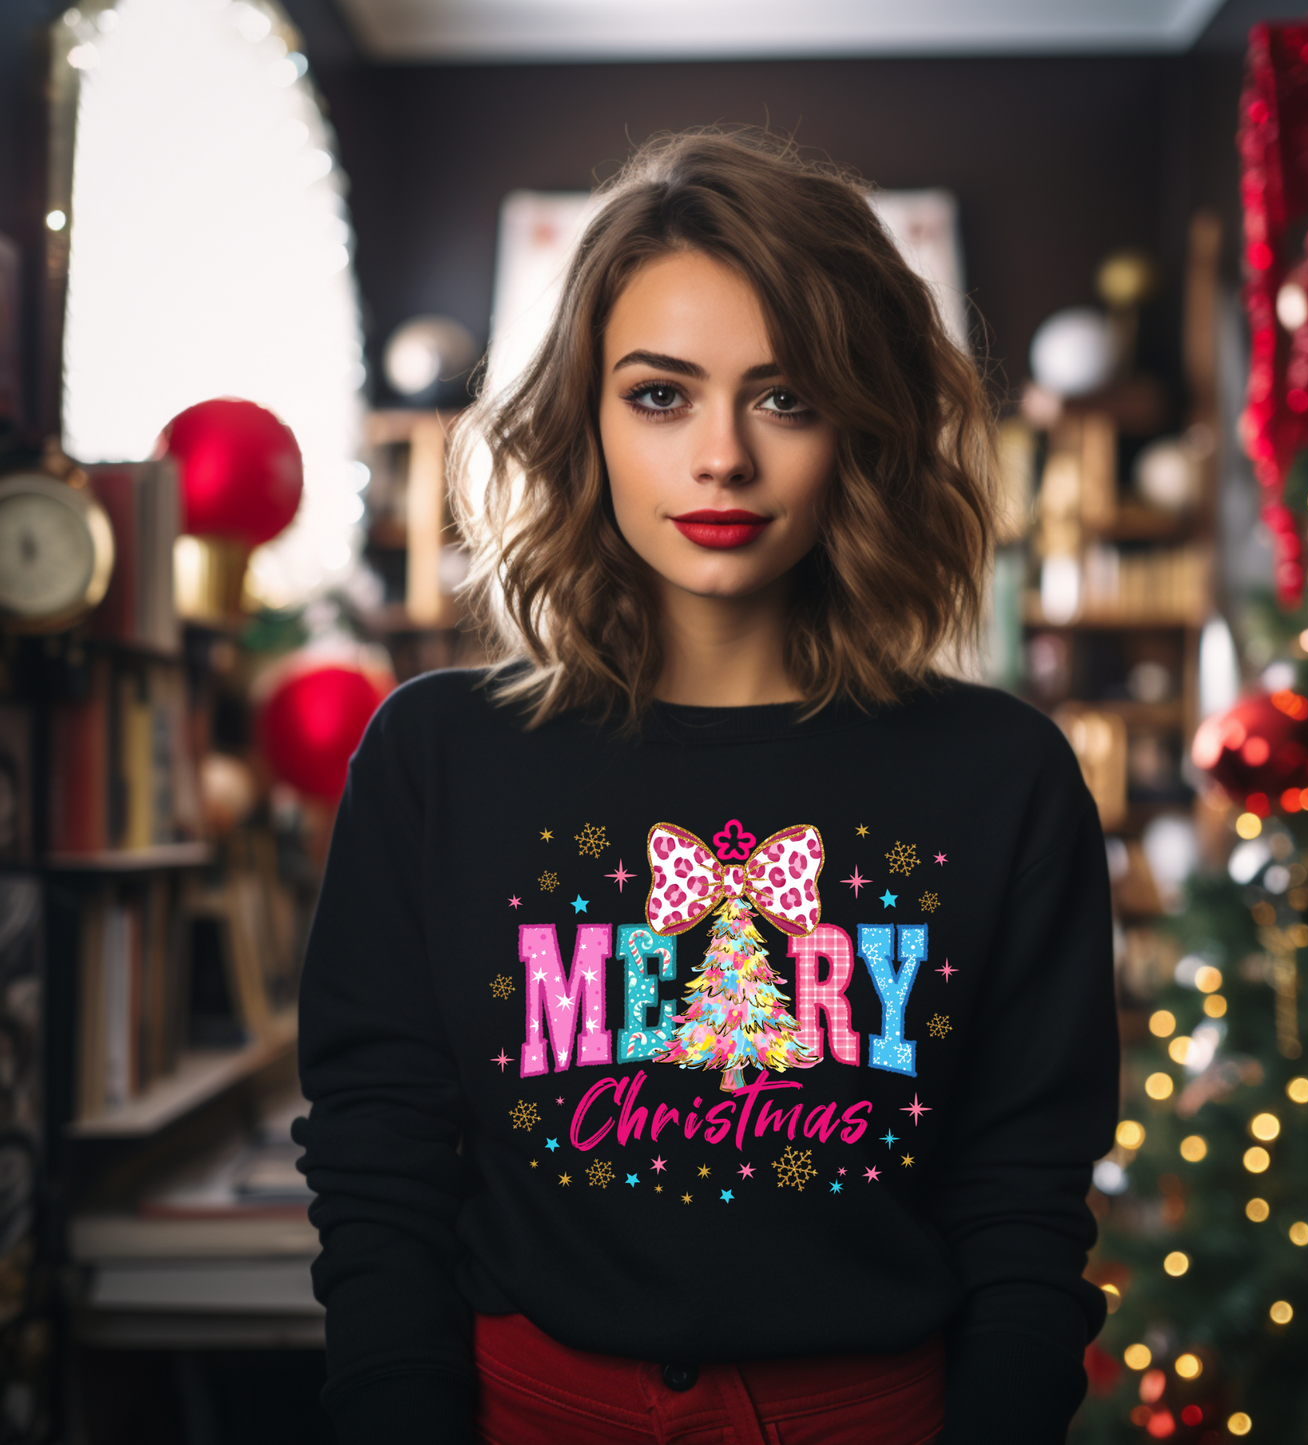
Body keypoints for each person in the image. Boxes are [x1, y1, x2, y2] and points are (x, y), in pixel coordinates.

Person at [294, 127, 1120, 1445]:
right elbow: (377, 1153)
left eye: (785, 398)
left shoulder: (1003, 774)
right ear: (584, 419)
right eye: (661, 396)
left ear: (862, 428)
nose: (723, 456)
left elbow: (1024, 1192)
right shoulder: (435, 755)